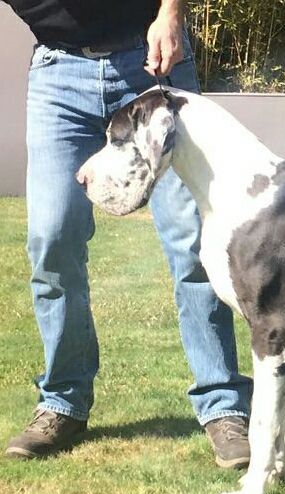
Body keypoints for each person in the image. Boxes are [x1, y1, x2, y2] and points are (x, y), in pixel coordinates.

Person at [3, 0, 253, 468]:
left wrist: (171, 14)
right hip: (58, 73)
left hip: (150, 61)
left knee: (192, 243)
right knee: (52, 239)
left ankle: (223, 406)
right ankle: (62, 403)